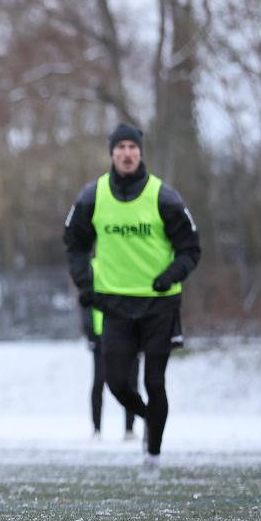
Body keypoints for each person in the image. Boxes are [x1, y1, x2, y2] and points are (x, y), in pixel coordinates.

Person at [63, 123, 201, 478]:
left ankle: (152, 457)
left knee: (155, 382)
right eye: (121, 146)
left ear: (141, 153)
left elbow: (190, 250)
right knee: (116, 383)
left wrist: (170, 276)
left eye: (133, 147)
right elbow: (74, 244)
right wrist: (85, 283)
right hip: (114, 306)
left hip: (159, 304)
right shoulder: (93, 196)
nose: (127, 153)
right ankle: (150, 420)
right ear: (111, 153)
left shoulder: (164, 197)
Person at [81, 305, 137, 441]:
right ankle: (96, 429)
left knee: (131, 384)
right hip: (101, 340)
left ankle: (129, 429)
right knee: (99, 383)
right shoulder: (97, 287)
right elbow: (88, 309)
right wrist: (91, 334)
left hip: (128, 339)